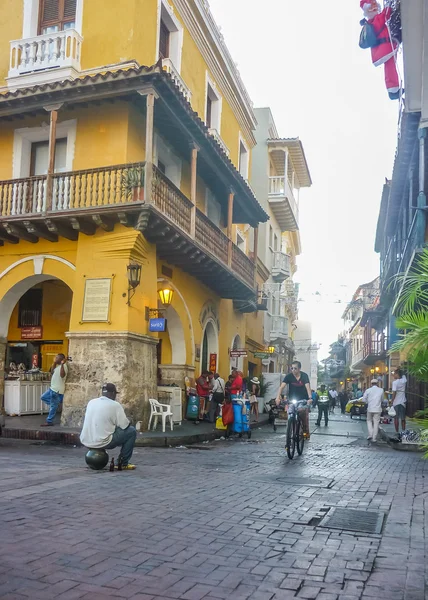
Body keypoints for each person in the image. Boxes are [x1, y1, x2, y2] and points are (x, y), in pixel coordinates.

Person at [80, 383, 136, 470]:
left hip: (86, 440)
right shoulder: (115, 405)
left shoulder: (91, 402)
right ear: (113, 393)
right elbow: (125, 425)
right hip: (103, 441)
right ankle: (123, 462)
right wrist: (130, 420)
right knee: (131, 431)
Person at [276, 361, 311, 438]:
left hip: (303, 399)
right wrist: (278, 397)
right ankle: (290, 431)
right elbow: (281, 387)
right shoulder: (289, 376)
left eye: (295, 368)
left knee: (302, 412)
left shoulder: (304, 376)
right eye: (292, 368)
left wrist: (310, 398)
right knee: (290, 413)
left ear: (299, 369)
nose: (293, 370)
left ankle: (304, 428)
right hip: (292, 399)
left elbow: (308, 387)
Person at [41, 353, 68, 426]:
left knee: (53, 405)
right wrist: (54, 363)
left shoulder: (64, 366)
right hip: (52, 388)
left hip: (57, 390)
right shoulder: (57, 366)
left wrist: (62, 364)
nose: (55, 358)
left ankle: (49, 421)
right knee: (43, 397)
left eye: (57, 358)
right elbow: (52, 372)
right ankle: (56, 406)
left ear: (61, 359)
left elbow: (62, 375)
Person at [363, 379, 384, 443]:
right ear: (377, 383)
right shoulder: (381, 390)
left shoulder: (368, 390)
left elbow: (364, 399)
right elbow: (382, 399)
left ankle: (370, 434)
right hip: (377, 409)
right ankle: (374, 438)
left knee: (369, 421)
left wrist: (368, 402)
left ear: (371, 384)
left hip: (370, 408)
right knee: (376, 423)